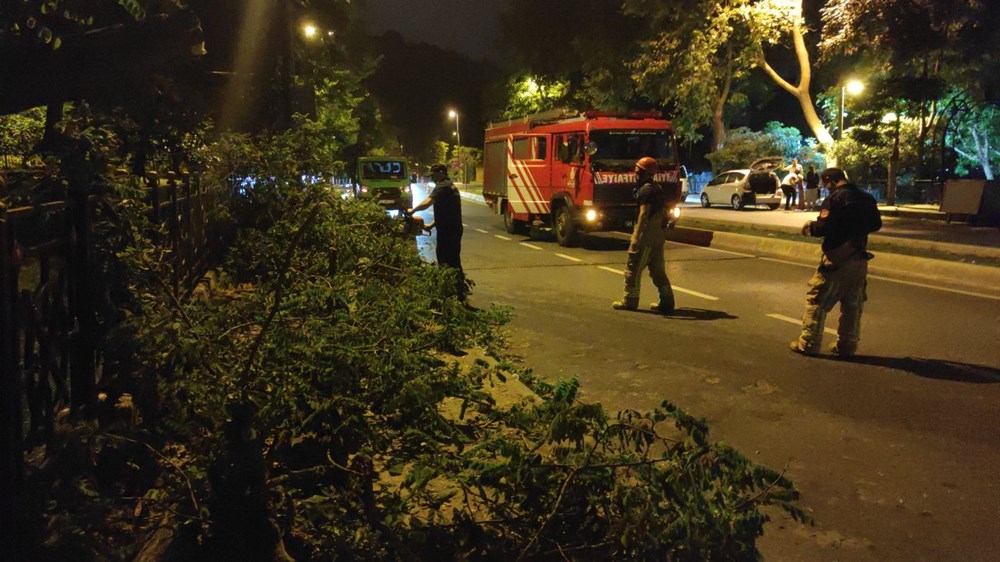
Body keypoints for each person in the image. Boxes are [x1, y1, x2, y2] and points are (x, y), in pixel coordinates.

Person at [790, 168, 882, 357]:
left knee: (817, 300)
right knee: (852, 304)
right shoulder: (865, 198)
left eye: (826, 183)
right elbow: (876, 224)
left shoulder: (836, 198)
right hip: (859, 257)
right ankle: (847, 346)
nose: (826, 187)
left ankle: (809, 343)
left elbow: (823, 227)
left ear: (830, 180)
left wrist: (811, 227)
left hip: (837, 258)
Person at [612, 157, 677, 314]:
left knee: (632, 269)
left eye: (638, 171)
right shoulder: (658, 189)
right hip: (658, 236)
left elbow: (643, 214)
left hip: (646, 235)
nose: (635, 174)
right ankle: (667, 302)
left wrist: (636, 237)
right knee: (658, 272)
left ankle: (630, 301)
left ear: (645, 173)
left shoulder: (645, 191)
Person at [408, 164, 467, 300]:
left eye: (433, 175)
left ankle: (451, 292)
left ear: (440, 173)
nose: (432, 178)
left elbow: (428, 202)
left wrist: (413, 210)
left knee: (446, 260)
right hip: (452, 228)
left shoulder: (442, 186)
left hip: (448, 231)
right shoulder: (449, 185)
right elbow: (447, 211)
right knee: (453, 259)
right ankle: (457, 289)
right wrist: (432, 225)